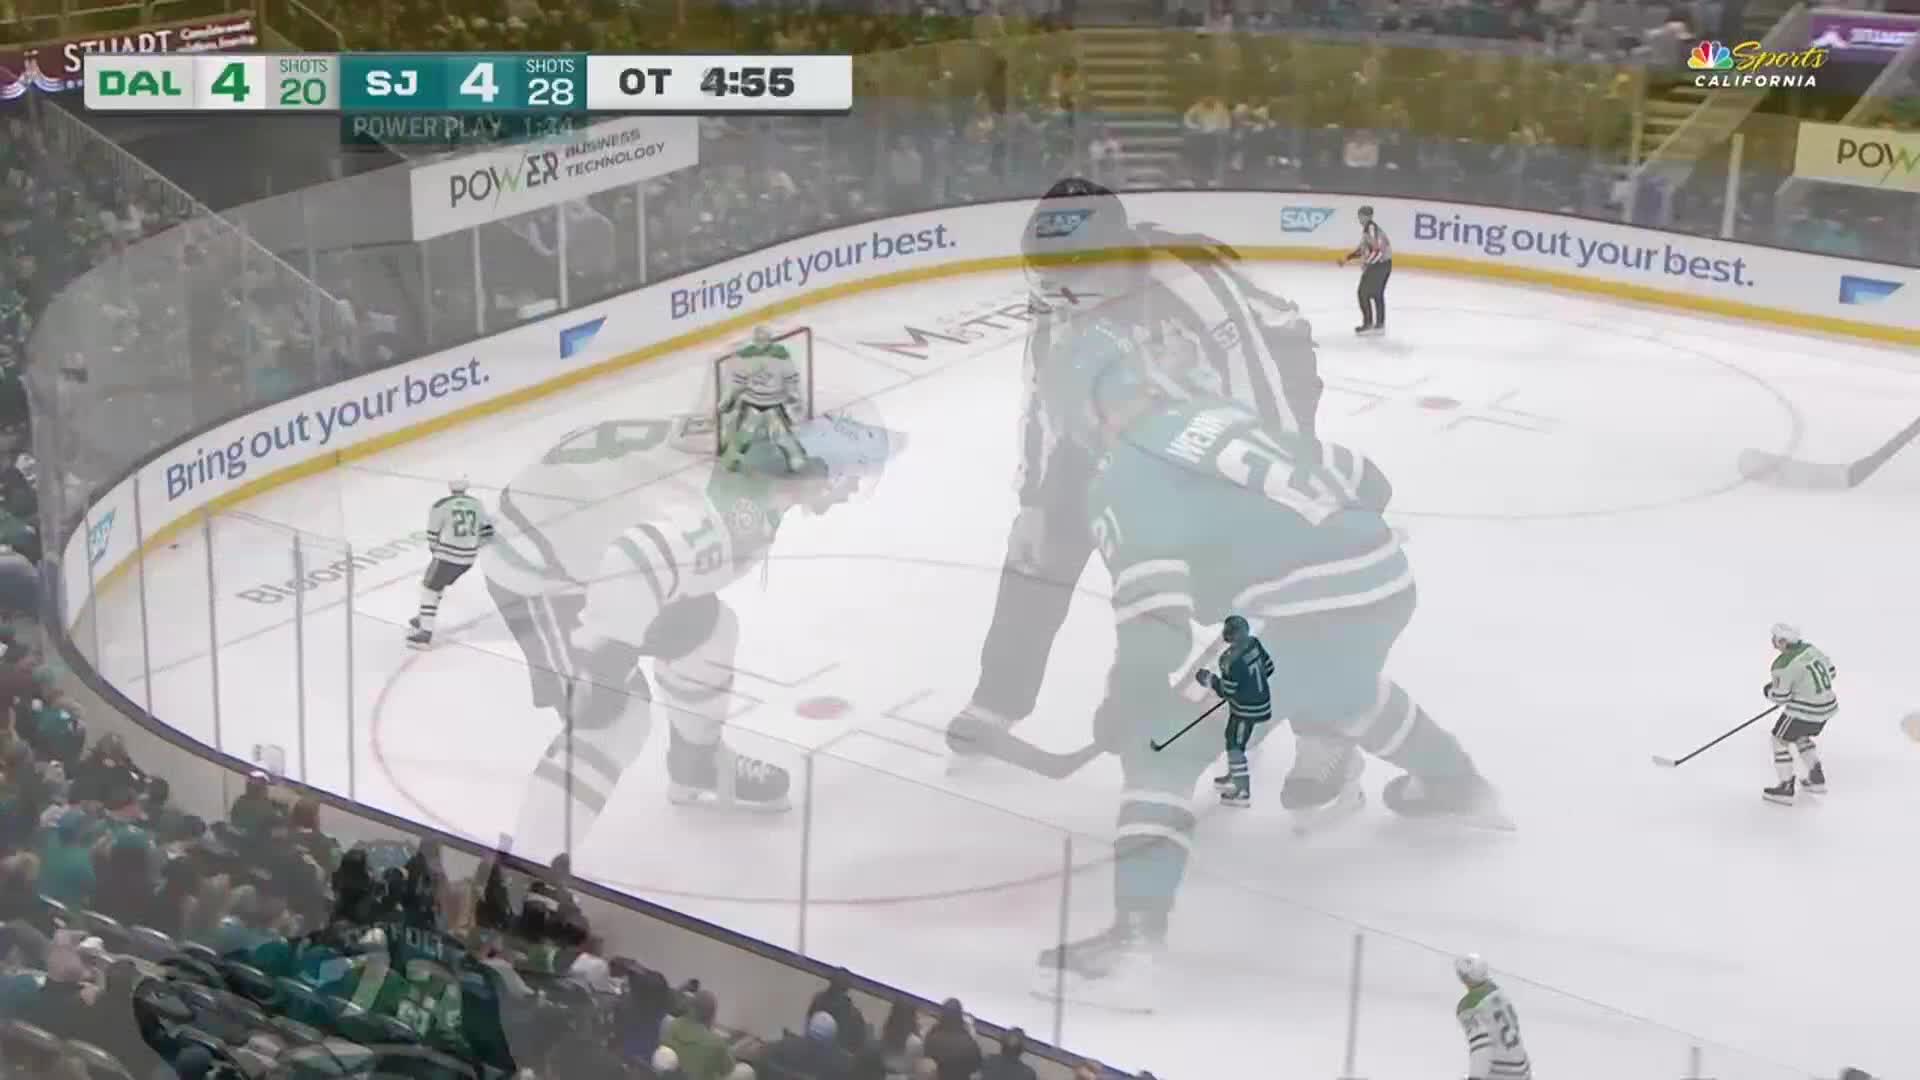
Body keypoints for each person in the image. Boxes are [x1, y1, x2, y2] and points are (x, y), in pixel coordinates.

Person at [1025, 259, 1502, 1011]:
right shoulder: (1225, 418)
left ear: (1085, 408)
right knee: (1340, 685)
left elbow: (1155, 615)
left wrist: (1137, 698)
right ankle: (1458, 785)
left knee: (1163, 749)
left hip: (1303, 607)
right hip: (1382, 578)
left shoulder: (1126, 472)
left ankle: (1134, 945)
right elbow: (1367, 478)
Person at [948, 176, 1323, 776]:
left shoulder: (1188, 278)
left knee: (1251, 566)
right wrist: (1035, 504)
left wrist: (1271, 491)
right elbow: (1043, 397)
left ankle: (1290, 721)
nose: (1054, 294)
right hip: (1131, 389)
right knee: (1041, 545)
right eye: (1044, 279)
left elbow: (1258, 382)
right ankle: (999, 698)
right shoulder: (1060, 297)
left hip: (1259, 373)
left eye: (1068, 278)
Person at [482, 409, 899, 860]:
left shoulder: (746, 454)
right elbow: (634, 560)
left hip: (573, 529)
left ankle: (697, 765)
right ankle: (526, 872)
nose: (854, 489)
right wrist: (608, 656)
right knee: (614, 717)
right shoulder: (726, 515)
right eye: (850, 476)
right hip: (540, 567)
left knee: (708, 633)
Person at [408, 476, 495, 649]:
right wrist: (473, 547)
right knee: (435, 583)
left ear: (450, 486)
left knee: (429, 588)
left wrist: (436, 552)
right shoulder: (477, 504)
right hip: (468, 558)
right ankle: (424, 617)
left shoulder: (441, 505)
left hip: (447, 555)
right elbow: (488, 532)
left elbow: (432, 535)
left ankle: (425, 634)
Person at [1198, 615, 1273, 808]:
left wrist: (1210, 679)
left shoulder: (1228, 660)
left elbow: (1227, 691)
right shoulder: (1254, 644)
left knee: (1235, 745)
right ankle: (1235, 773)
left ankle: (1242, 791)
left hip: (1245, 710)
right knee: (1231, 736)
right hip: (1259, 702)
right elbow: (1269, 668)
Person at [1762, 623, 1836, 805]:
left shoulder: (1782, 665)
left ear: (1782, 641)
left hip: (1804, 711)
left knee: (1779, 740)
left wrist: (1769, 690)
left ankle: (1785, 786)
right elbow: (1831, 672)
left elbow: (1781, 697)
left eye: (1775, 639)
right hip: (1827, 708)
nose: (1773, 643)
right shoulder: (1811, 649)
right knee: (1801, 736)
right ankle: (1816, 777)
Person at [719, 326, 807, 473]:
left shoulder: (781, 356)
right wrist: (728, 398)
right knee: (744, 436)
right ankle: (731, 460)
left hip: (772, 403)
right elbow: (737, 382)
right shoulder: (747, 357)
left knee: (780, 435)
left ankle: (795, 458)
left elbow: (790, 379)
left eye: (763, 340)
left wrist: (794, 395)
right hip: (752, 402)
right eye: (759, 340)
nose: (761, 344)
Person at [1454, 953, 1532, 1079]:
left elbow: (1481, 1046)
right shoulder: (1498, 992)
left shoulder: (1469, 1007)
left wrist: (1475, 1077)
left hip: (1501, 1073)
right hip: (1523, 1069)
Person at [1339, 204, 1393, 334]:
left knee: (1363, 293)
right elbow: (1363, 249)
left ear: (1368, 216)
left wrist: (1368, 264)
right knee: (1376, 294)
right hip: (1383, 264)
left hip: (1379, 265)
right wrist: (1348, 258)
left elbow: (1377, 250)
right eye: (1359, 215)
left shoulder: (1371, 229)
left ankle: (1369, 324)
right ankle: (1379, 324)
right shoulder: (1368, 230)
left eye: (1362, 216)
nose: (1360, 218)